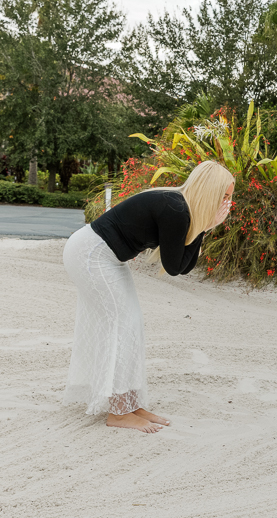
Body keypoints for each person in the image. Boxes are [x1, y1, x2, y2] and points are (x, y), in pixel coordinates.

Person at [62, 160, 235, 433]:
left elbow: (183, 265)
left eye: (229, 198)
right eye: (224, 197)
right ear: (209, 192)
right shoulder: (176, 209)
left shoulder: (182, 209)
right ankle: (118, 413)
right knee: (123, 326)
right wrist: (206, 227)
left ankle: (129, 403)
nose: (227, 203)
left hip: (106, 257)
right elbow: (175, 267)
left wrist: (205, 227)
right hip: (91, 254)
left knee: (131, 325)